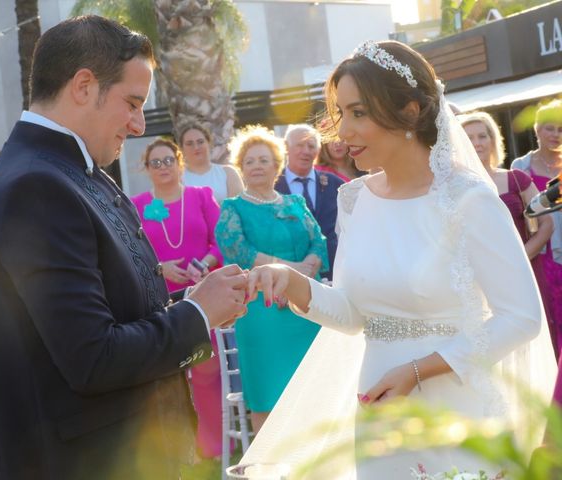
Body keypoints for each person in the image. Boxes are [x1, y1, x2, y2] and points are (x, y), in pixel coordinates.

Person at [241, 40, 557, 478]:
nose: (342, 132)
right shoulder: (354, 201)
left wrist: (418, 370)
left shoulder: (468, 200)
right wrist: (289, 281)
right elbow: (354, 314)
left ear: (409, 111)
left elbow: (521, 317)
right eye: (340, 114)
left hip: (454, 409)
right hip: (378, 409)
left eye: (358, 113)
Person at [0, 15, 247, 480]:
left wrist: (201, 303)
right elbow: (93, 359)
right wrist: (198, 316)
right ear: (83, 86)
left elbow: (113, 311)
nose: (139, 124)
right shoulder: (37, 185)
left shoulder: (72, 171)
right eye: (132, 102)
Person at [215, 125, 328, 432]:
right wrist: (289, 271)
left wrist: (307, 266)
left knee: (312, 391)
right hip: (261, 311)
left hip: (304, 310)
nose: (256, 166)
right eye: (250, 161)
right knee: (267, 394)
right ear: (241, 167)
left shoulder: (296, 204)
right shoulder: (233, 209)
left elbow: (318, 241)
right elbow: (241, 252)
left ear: (277, 166)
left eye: (264, 160)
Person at [131, 137, 225, 459]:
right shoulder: (138, 205)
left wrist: (206, 264)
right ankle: (177, 445)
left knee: (206, 368)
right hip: (160, 297)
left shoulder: (200, 197)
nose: (163, 167)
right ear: (146, 168)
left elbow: (220, 241)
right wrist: (160, 268)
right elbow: (131, 254)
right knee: (169, 372)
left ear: (179, 162)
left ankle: (212, 443)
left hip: (203, 293)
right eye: (155, 162)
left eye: (168, 160)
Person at [460, 111, 557, 355]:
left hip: (527, 270)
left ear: (493, 140)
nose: (477, 143)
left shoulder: (516, 178)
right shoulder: (452, 187)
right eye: (469, 137)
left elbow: (546, 224)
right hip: (480, 280)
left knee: (536, 338)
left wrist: (519, 258)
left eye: (482, 136)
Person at [511, 99, 562, 360]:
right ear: (537, 130)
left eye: (561, 129)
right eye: (549, 128)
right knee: (547, 320)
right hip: (539, 255)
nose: (555, 135)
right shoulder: (520, 167)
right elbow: (519, 216)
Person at [275, 124, 344, 280]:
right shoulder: (273, 186)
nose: (306, 151)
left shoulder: (335, 185)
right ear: (286, 147)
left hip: (335, 273)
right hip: (290, 275)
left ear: (318, 151)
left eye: (311, 146)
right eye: (299, 145)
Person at [179, 123, 244, 203]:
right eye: (189, 143)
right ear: (181, 149)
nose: (196, 147)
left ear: (209, 143)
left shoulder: (228, 173)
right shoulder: (177, 178)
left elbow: (238, 208)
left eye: (200, 142)